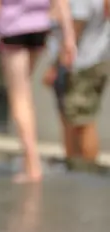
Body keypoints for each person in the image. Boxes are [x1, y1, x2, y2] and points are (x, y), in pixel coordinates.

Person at [0, 0, 76, 183]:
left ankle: (32, 162)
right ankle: (30, 160)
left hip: (13, 28)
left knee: (19, 97)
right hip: (39, 27)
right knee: (25, 92)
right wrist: (69, 37)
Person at [43, 0, 110, 171]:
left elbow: (76, 27)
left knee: (80, 121)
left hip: (81, 63)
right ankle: (76, 167)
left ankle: (85, 170)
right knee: (74, 118)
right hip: (90, 60)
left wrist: (57, 65)